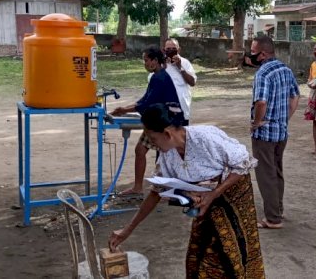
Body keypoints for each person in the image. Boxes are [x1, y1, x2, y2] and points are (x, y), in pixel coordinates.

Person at [108, 104, 264, 278]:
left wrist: (213, 194)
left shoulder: (206, 138)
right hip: (205, 201)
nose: (151, 143)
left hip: (234, 198)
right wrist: (127, 230)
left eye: (152, 138)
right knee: (198, 254)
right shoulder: (167, 154)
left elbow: (243, 163)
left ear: (167, 134)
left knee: (230, 252)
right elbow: (156, 191)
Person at [118, 39, 197, 196]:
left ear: (154, 61)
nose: (145, 64)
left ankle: (169, 188)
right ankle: (142, 187)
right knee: (144, 151)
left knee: (167, 155)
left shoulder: (162, 75)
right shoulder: (157, 75)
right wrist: (125, 109)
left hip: (167, 122)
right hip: (160, 120)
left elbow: (147, 102)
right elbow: (146, 99)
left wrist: (124, 109)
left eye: (146, 60)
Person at [248, 35, 300, 229]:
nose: (251, 55)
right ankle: (277, 209)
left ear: (262, 54)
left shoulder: (263, 74)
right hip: (281, 131)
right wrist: (285, 118)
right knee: (276, 171)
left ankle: (273, 218)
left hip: (265, 133)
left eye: (253, 52)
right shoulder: (285, 69)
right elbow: (295, 96)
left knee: (266, 174)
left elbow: (261, 102)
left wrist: (257, 122)